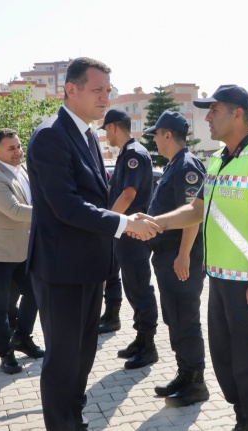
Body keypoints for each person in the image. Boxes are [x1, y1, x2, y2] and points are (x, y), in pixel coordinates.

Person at [26, 57, 160, 431]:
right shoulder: (51, 135)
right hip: (61, 269)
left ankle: (75, 420)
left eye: (108, 90)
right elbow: (66, 205)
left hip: (86, 265)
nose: (105, 97)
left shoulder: (85, 133)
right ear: (71, 90)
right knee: (63, 360)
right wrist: (122, 223)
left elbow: (95, 197)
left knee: (83, 356)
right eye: (97, 89)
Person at [144, 85, 248, 431]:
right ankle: (243, 417)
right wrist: (156, 222)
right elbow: (197, 209)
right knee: (225, 361)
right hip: (221, 278)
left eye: (214, 110)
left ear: (238, 114)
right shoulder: (218, 159)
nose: (207, 117)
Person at [145, 111, 209, 407]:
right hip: (168, 255)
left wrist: (184, 254)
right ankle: (185, 374)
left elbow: (193, 214)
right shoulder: (174, 164)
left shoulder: (187, 165)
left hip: (181, 256)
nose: (155, 139)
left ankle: (196, 383)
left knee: (185, 317)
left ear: (167, 135)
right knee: (174, 316)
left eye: (156, 134)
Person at [0, 128, 44, 373]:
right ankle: (5, 354)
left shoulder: (22, 169)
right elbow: (14, 211)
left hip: (22, 250)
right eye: (11, 148)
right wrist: (52, 214)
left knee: (35, 293)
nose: (18, 152)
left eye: (19, 146)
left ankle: (22, 338)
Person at [100, 108, 159, 369]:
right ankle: (140, 338)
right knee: (133, 287)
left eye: (106, 130)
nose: (106, 136)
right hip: (127, 230)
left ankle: (149, 345)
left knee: (139, 286)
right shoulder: (128, 153)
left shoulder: (134, 153)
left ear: (113, 127)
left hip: (134, 231)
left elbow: (129, 194)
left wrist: (106, 221)